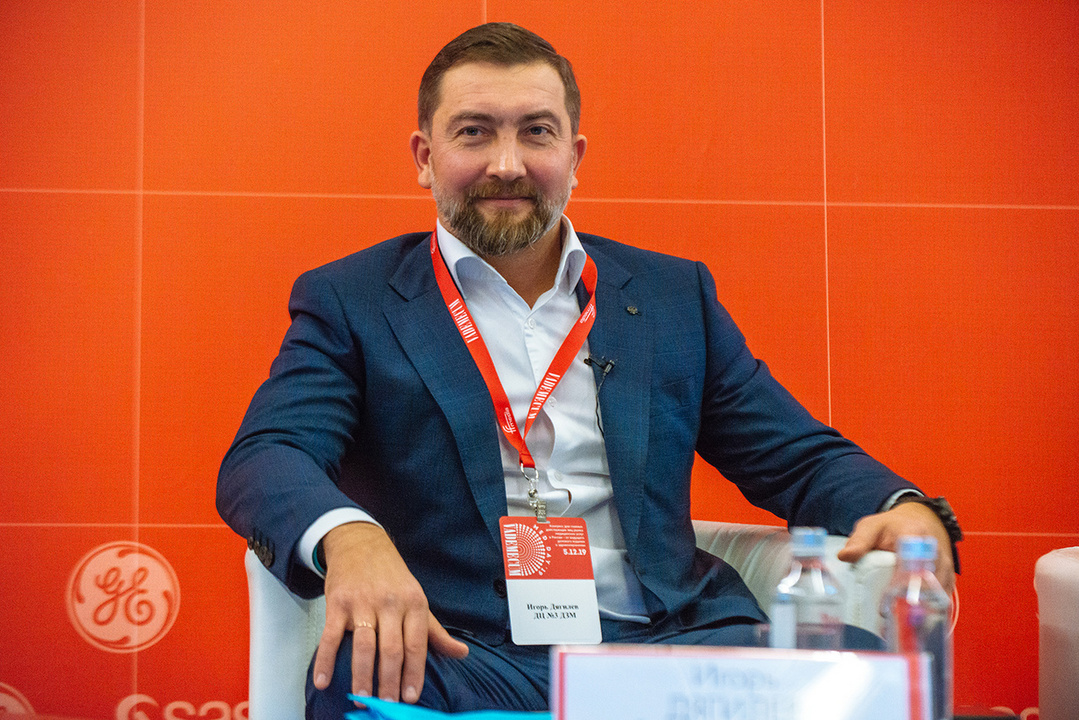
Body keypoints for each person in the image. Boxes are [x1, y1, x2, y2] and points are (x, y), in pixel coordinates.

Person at [217, 22, 961, 719]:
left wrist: (902, 504)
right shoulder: (354, 300)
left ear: (574, 156)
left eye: (535, 132)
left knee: (855, 667)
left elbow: (795, 456)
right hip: (474, 650)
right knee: (360, 677)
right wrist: (352, 538)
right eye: (474, 132)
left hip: (673, 641)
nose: (506, 164)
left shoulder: (669, 296)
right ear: (424, 157)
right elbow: (267, 454)